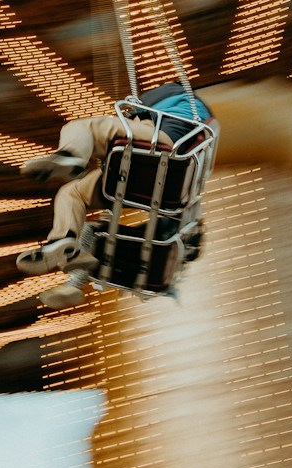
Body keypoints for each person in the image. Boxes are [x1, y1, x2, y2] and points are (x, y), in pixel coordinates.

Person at [15, 82, 214, 308]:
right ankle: (64, 242)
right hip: (153, 178)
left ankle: (72, 155)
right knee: (71, 192)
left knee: (85, 127)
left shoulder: (174, 98)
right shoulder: (192, 113)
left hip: (157, 155)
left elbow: (138, 117)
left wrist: (134, 112)